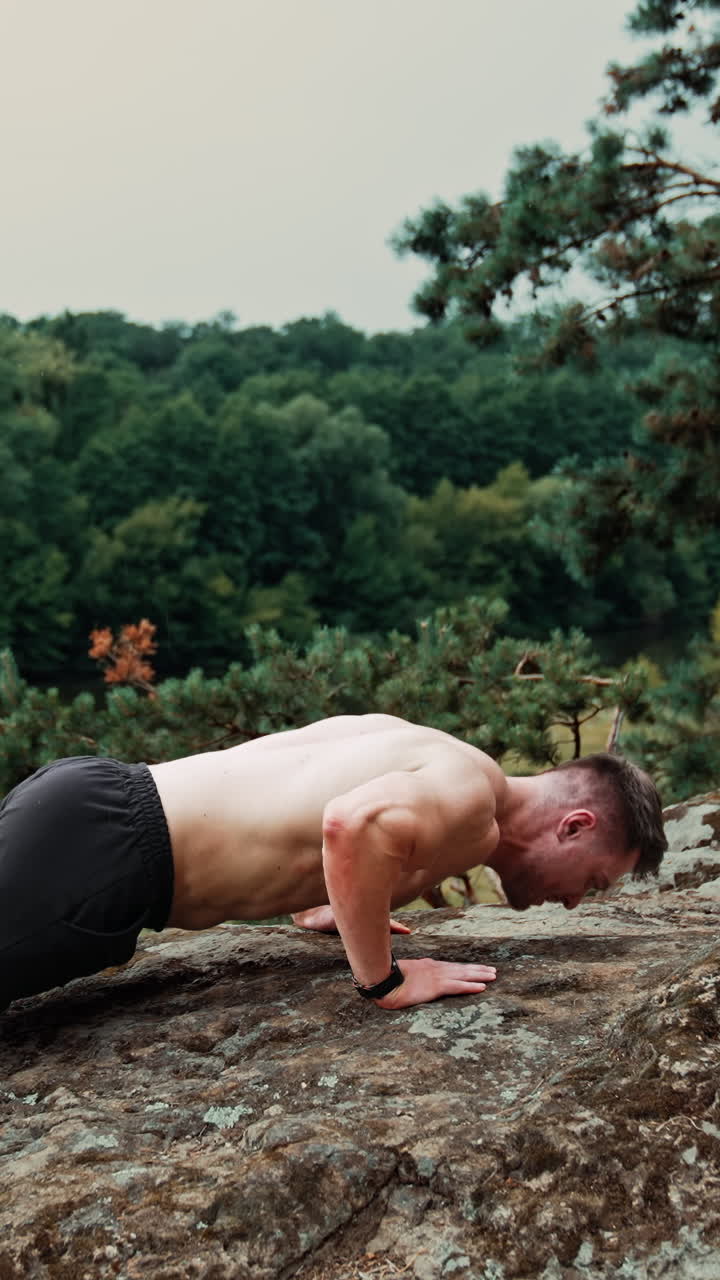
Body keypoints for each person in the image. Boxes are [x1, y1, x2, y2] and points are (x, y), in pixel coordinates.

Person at [0, 713, 666, 1012]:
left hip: (91, 798)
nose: (577, 902)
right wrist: (383, 980)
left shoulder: (433, 748)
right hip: (107, 858)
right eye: (594, 881)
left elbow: (287, 768)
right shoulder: (471, 803)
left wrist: (333, 900)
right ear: (575, 826)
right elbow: (349, 825)